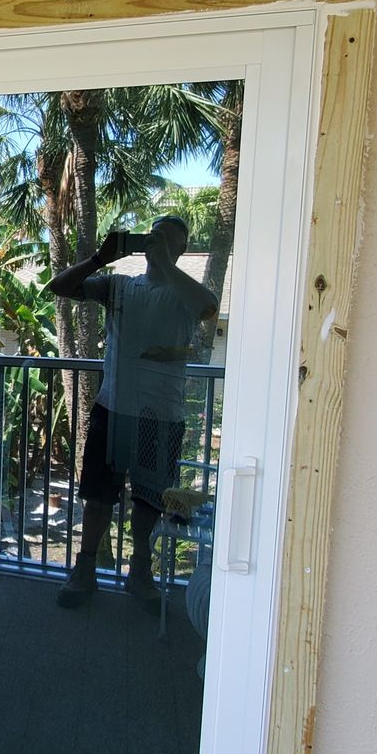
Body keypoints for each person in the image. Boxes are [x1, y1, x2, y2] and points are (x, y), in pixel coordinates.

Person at [48, 215, 218, 610]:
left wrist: (168, 266)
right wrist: (99, 258)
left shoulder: (183, 294)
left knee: (149, 500)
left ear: (180, 249)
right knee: (98, 495)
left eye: (167, 240)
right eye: (152, 237)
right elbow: (59, 287)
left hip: (162, 416)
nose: (156, 244)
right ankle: (85, 572)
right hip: (114, 407)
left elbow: (208, 307)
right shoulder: (119, 287)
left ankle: (139, 574)